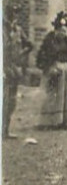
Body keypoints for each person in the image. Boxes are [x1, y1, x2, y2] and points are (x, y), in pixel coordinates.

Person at [36, 12, 67, 129]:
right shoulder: (49, 40)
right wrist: (50, 67)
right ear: (56, 30)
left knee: (65, 96)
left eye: (64, 30)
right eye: (60, 30)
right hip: (52, 71)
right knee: (52, 95)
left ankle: (63, 121)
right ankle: (48, 122)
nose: (63, 33)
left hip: (65, 71)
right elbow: (42, 56)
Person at [2, 9, 32, 139]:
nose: (14, 20)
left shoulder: (19, 31)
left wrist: (22, 54)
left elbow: (30, 45)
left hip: (14, 69)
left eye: (15, 17)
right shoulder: (3, 32)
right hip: (4, 68)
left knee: (12, 101)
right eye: (12, 17)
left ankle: (5, 130)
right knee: (4, 99)